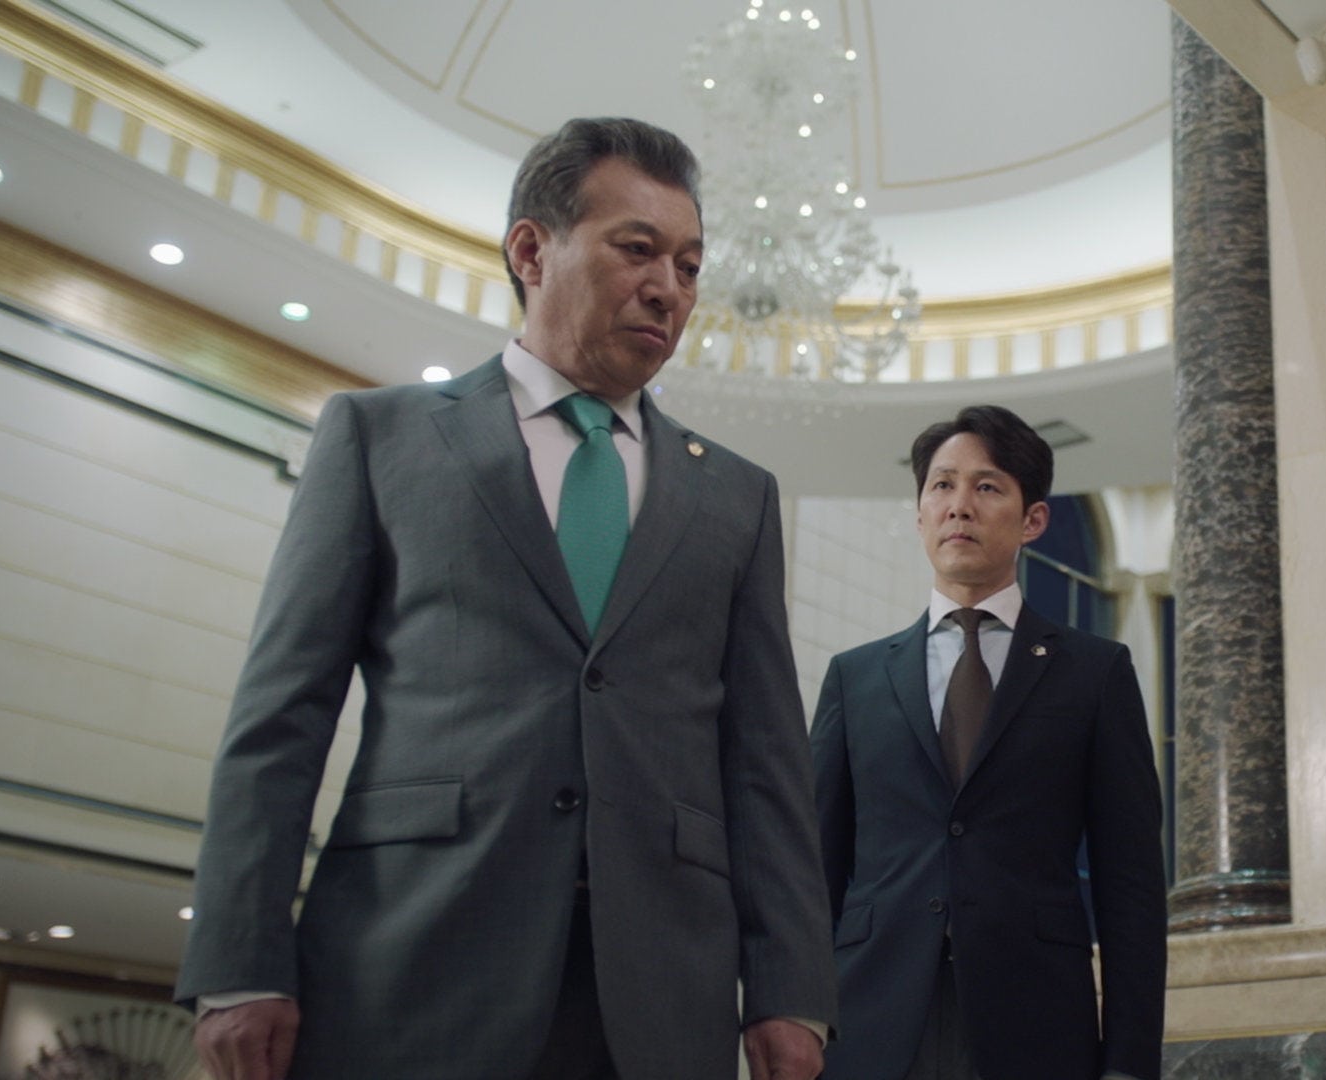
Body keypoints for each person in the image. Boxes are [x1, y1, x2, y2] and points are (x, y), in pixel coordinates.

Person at [175, 117, 836, 1080]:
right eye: (638, 249)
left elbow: (766, 763)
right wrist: (239, 961)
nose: (670, 287)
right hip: (413, 961)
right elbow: (282, 713)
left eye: (690, 266)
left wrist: (791, 988)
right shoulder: (380, 436)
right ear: (532, 250)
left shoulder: (738, 497)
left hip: (659, 991)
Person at [809, 405, 1167, 1080]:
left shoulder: (1094, 674)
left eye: (987, 487)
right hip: (868, 1019)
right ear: (920, 515)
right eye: (942, 485)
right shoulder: (855, 678)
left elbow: (1131, 885)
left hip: (1036, 1022)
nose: (959, 506)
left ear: (1033, 520)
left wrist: (1129, 1063)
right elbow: (814, 871)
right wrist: (794, 1020)